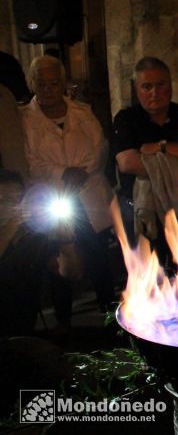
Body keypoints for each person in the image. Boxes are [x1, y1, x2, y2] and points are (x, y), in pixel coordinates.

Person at [21, 55, 116, 330]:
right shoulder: (25, 120)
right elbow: (30, 160)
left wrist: (83, 171)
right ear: (32, 84)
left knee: (97, 254)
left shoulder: (82, 113)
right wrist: (63, 173)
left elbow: (100, 147)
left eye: (54, 83)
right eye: (42, 84)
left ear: (63, 83)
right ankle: (64, 321)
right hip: (52, 197)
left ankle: (109, 315)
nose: (49, 90)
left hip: (87, 194)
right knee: (59, 259)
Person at [112, 57, 178, 260]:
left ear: (170, 86)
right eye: (147, 87)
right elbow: (128, 163)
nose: (154, 93)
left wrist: (160, 147)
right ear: (137, 90)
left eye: (160, 85)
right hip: (140, 209)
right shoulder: (126, 119)